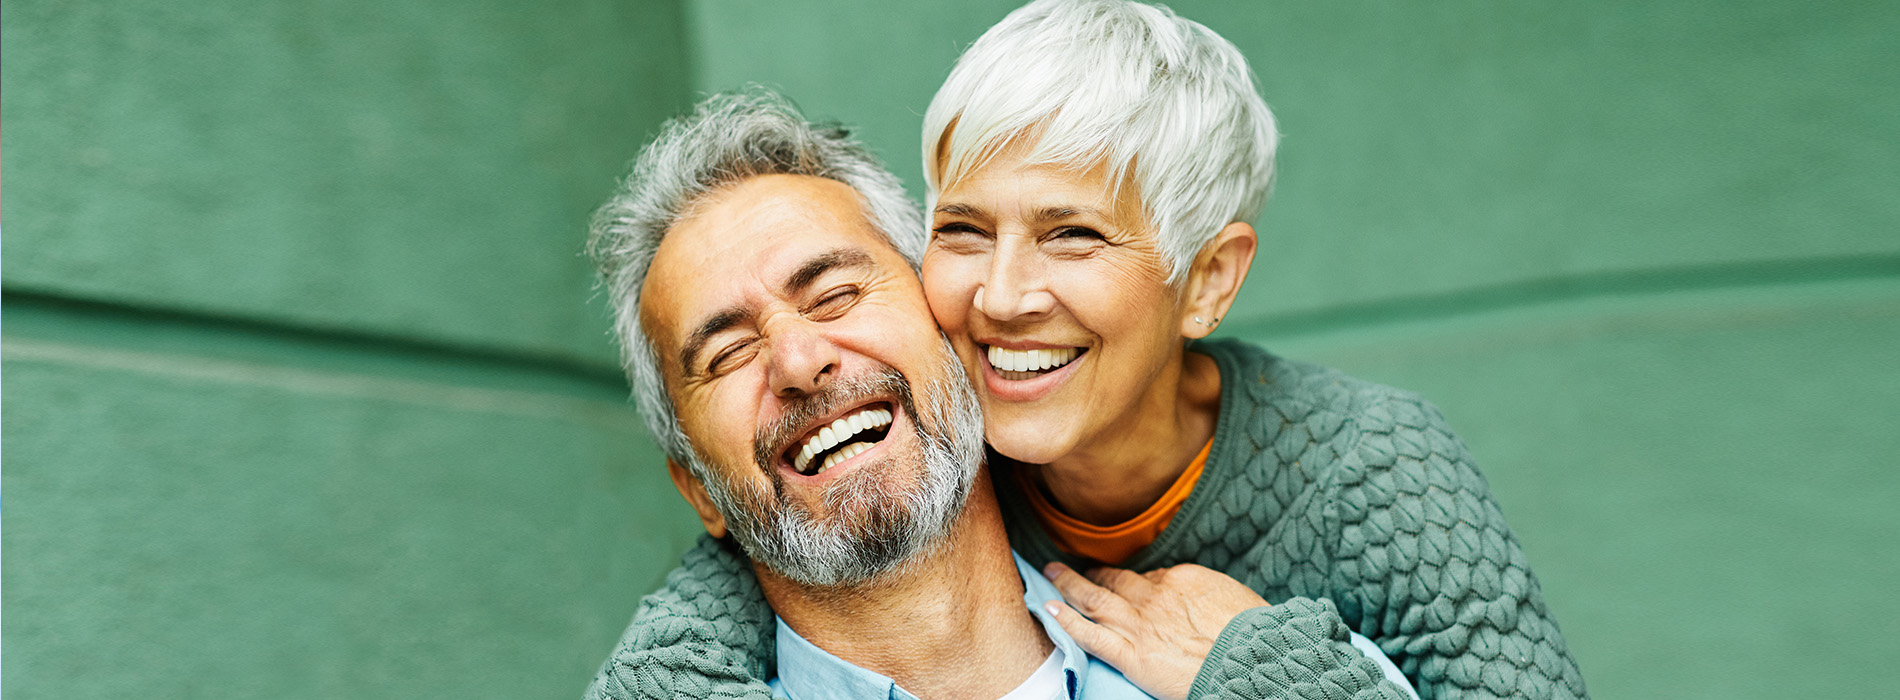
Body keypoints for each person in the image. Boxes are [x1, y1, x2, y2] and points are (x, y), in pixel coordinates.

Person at [588, 1, 1587, 699]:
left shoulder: (1367, 473)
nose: (1004, 296)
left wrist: (1259, 669)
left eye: (1073, 234)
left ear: (1207, 280)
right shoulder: (904, 448)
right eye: (966, 232)